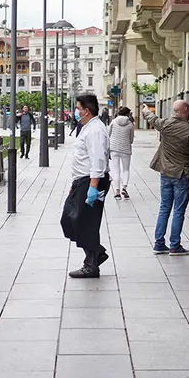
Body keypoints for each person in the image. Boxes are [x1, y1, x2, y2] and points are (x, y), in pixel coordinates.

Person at [61, 94, 111, 279]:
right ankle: (97, 252)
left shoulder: (96, 130)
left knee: (85, 222)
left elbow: (98, 159)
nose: (76, 112)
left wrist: (93, 186)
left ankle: (91, 265)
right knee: (68, 220)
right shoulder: (87, 127)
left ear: (86, 111)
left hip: (91, 181)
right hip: (81, 181)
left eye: (78, 108)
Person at [142, 100, 189, 256]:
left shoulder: (165, 124)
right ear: (185, 111)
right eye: (188, 110)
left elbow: (151, 118)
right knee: (178, 211)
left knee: (164, 208)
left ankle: (159, 243)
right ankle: (174, 245)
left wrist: (146, 110)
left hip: (166, 173)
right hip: (182, 174)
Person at [108, 107, 135, 200]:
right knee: (126, 170)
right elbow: (131, 139)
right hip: (126, 149)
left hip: (114, 149)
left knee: (116, 171)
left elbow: (108, 134)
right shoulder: (130, 124)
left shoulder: (113, 122)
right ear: (128, 114)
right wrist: (128, 143)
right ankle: (124, 187)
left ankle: (117, 192)